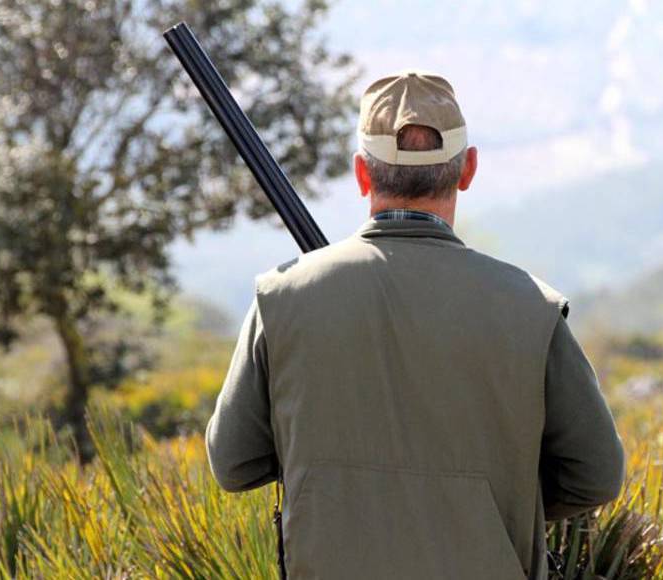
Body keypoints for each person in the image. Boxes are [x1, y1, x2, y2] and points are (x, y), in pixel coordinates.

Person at [205, 70, 625, 580]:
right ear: (467, 169)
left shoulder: (281, 298)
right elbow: (597, 475)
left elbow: (233, 463)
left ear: (362, 174)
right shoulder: (531, 307)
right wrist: (492, 499)